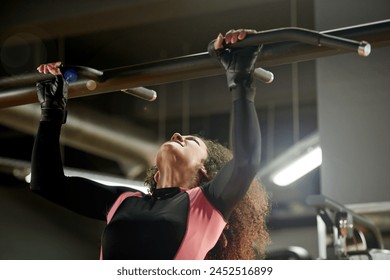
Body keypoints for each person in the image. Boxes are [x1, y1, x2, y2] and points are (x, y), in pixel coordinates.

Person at [31, 29, 270, 260]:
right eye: (179, 135)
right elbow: (46, 183)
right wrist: (51, 111)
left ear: (204, 171)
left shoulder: (206, 203)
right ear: (155, 175)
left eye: (191, 140)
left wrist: (240, 78)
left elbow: (245, 161)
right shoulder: (124, 201)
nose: (177, 135)